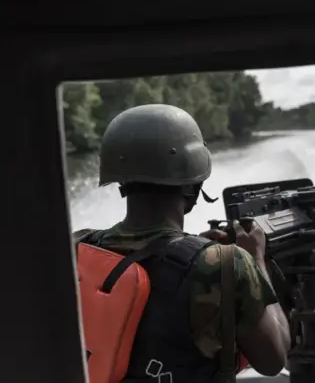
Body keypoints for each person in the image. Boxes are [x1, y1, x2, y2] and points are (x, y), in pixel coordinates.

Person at [73, 103, 291, 382]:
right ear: (191, 184)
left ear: (121, 182)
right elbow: (274, 360)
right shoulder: (226, 264)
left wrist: (196, 252)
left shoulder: (78, 247)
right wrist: (256, 259)